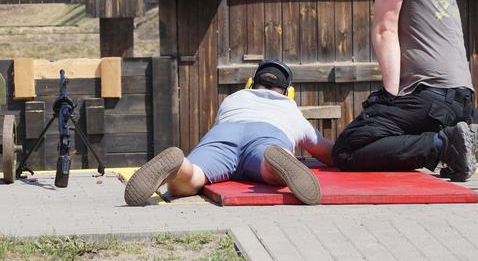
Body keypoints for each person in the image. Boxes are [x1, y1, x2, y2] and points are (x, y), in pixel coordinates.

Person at [332, 0, 478, 181]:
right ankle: (453, 147)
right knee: (386, 138)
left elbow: (385, 29)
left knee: (347, 149)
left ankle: (444, 145)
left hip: (430, 95)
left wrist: (389, 96)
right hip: (459, 99)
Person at [124, 59, 334, 206]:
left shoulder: (234, 99)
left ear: (250, 84)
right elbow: (330, 153)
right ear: (289, 93)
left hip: (225, 133)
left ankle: (179, 167)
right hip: (267, 135)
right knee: (271, 172)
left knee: (194, 177)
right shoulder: (290, 109)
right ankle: (279, 159)